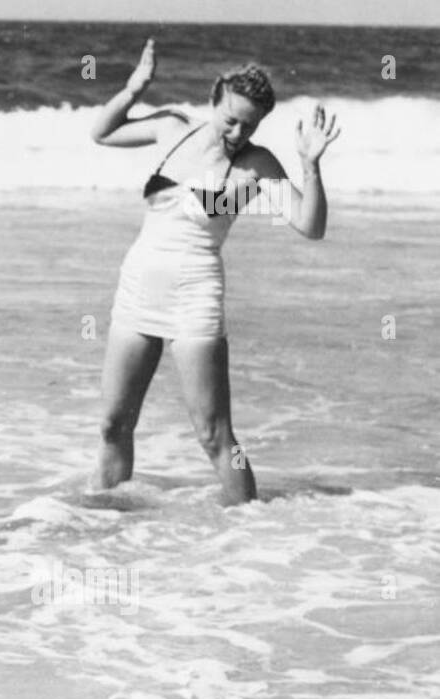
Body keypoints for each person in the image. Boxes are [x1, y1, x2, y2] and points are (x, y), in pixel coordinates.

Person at [89, 40, 340, 504]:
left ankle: (250, 521)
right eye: (231, 119)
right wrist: (133, 88)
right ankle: (108, 520)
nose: (238, 132)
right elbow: (101, 133)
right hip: (139, 285)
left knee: (213, 433)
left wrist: (311, 167)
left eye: (250, 125)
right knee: (112, 424)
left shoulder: (257, 165)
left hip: (195, 295)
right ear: (212, 101)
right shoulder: (171, 128)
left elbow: (311, 226)